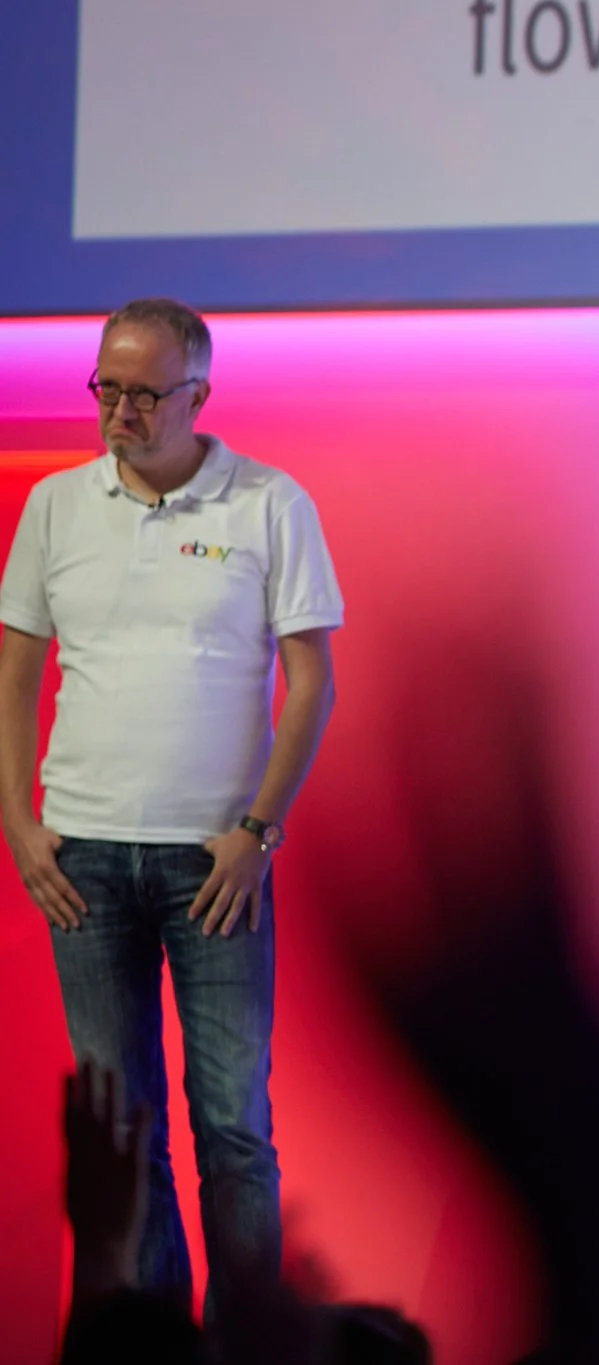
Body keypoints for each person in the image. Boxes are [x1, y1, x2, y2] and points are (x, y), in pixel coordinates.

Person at [0, 298, 343, 1311]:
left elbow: (312, 683)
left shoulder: (270, 503)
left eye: (147, 394)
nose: (122, 412)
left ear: (199, 393)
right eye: (108, 388)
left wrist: (258, 832)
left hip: (215, 864)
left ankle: (248, 1340)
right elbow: (18, 669)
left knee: (232, 1123)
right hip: (84, 859)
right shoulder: (56, 506)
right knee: (120, 1128)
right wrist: (18, 821)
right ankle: (140, 1342)